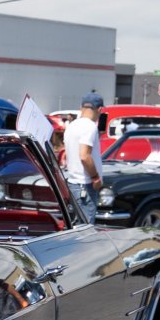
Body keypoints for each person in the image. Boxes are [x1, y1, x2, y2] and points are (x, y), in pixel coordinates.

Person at [61, 93, 105, 224]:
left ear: (81, 107)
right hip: (84, 186)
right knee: (85, 231)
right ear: (100, 110)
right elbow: (84, 156)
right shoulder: (90, 127)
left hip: (73, 183)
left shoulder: (72, 126)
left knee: (74, 228)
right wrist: (96, 177)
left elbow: (68, 154)